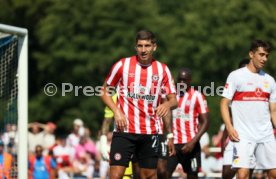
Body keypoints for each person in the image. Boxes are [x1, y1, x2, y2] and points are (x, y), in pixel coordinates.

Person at [100, 30, 177, 179]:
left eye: (147, 46)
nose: (143, 50)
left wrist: (166, 105)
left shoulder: (162, 70)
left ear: (154, 47)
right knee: (115, 175)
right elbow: (104, 92)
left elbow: (173, 100)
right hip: (124, 131)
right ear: (135, 47)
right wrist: (116, 111)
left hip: (150, 132)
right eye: (140, 46)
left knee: (147, 176)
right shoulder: (123, 65)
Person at [221, 40, 276, 179]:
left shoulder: (270, 80)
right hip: (243, 136)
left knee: (274, 174)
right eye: (261, 54)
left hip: (266, 135)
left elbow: (273, 111)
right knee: (243, 174)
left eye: (267, 55)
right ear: (251, 54)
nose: (264, 59)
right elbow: (224, 103)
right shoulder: (236, 76)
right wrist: (229, 126)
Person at [167, 68, 210, 179]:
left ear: (190, 81)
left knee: (192, 176)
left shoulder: (197, 96)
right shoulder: (171, 96)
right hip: (173, 145)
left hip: (191, 145)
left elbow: (206, 122)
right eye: (179, 80)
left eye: (184, 80)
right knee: (163, 173)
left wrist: (193, 142)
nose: (181, 83)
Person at [221, 58, 249, 179]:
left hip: (250, 137)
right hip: (234, 137)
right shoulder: (232, 91)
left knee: (244, 174)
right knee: (226, 173)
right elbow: (228, 117)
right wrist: (223, 140)